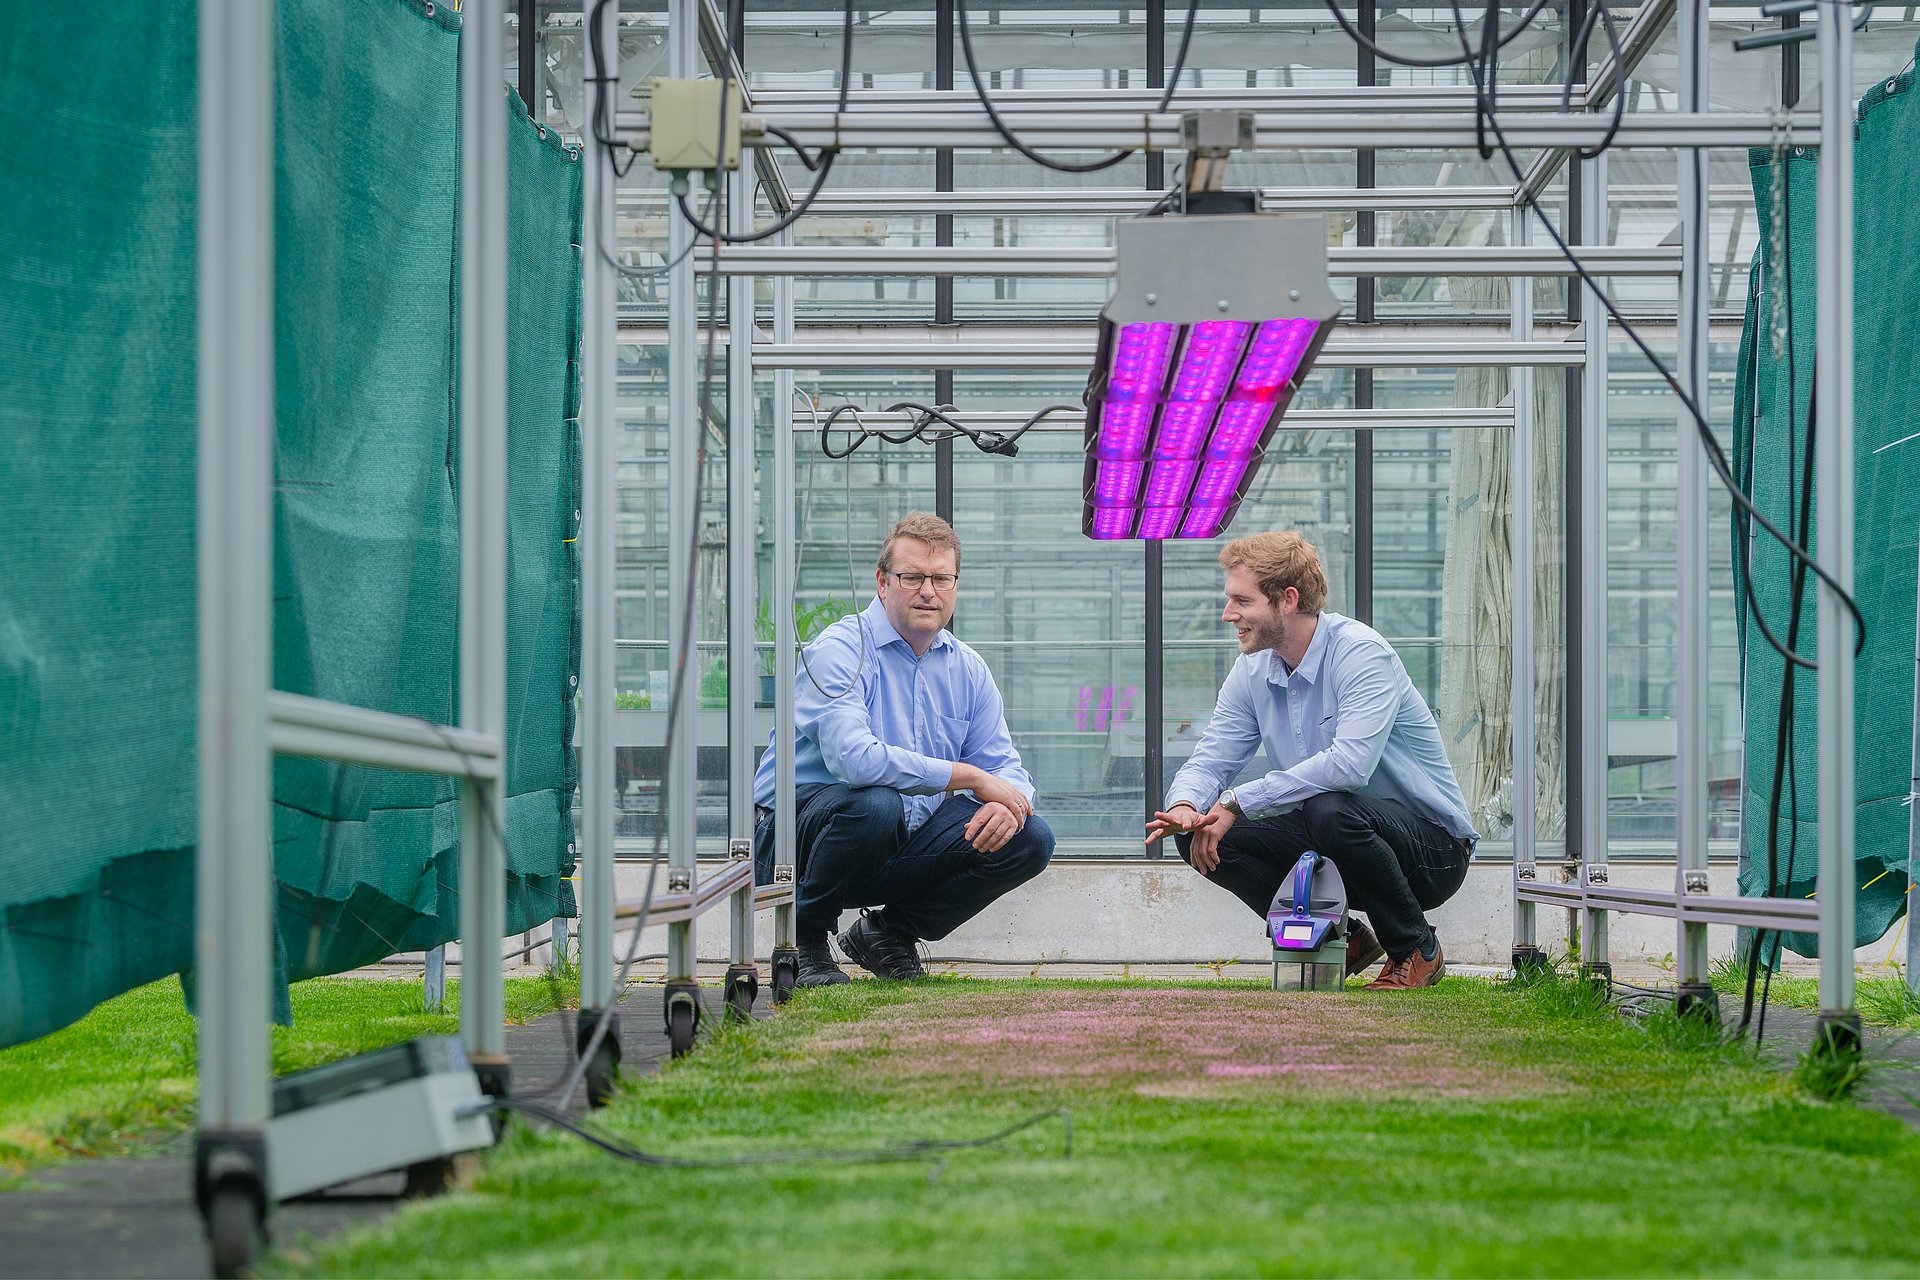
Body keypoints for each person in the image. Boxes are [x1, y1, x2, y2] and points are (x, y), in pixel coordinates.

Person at [1144, 531, 1479, 989]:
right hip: (1340, 839)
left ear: (1287, 599)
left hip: (1431, 853)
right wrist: (1186, 806)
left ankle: (1415, 948)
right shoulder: (1253, 668)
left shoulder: (1361, 654)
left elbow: (1349, 767)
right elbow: (1211, 758)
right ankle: (1341, 940)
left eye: (1241, 600)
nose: (1228, 614)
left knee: (1329, 808)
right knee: (1202, 837)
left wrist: (1238, 800)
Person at [753, 513, 1054, 987]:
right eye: (911, 577)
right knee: (874, 801)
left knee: (1029, 835)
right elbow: (855, 760)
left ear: (955, 584)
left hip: (898, 843)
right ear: (882, 581)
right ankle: (804, 940)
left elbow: (1005, 769)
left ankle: (888, 933)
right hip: (800, 842)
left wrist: (1010, 802)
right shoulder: (839, 650)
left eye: (941, 578)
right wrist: (972, 778)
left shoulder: (967, 669)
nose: (928, 591)